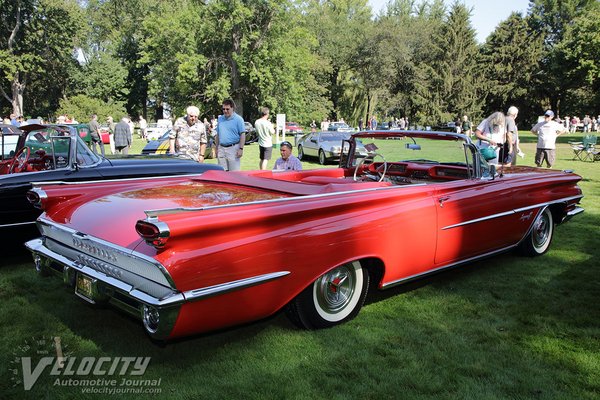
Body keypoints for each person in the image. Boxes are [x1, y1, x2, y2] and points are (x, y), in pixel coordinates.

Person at [216, 98, 245, 171]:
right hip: (221, 149)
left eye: (227, 109)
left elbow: (242, 134)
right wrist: (216, 148)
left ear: (232, 108)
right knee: (222, 173)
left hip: (233, 149)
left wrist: (241, 149)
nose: (225, 111)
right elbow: (218, 134)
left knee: (234, 174)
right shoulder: (220, 119)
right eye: (223, 109)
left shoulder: (238, 119)